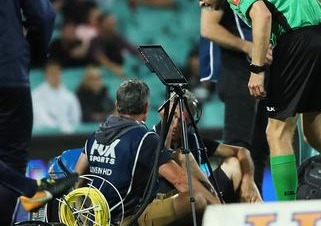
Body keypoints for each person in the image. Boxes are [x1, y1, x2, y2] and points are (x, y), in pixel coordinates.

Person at [184, 0, 321, 201]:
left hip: (297, 42)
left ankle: (286, 212)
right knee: (316, 133)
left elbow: (262, 15)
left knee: (276, 133)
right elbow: (320, 8)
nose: (202, 3)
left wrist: (257, 69)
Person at [74, 80, 220, 225]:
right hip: (129, 219)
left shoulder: (94, 136)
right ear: (146, 109)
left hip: (98, 217)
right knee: (197, 198)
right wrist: (221, 209)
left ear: (117, 105)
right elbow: (180, 180)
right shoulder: (145, 138)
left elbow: (76, 180)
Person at [198, 0, 268, 190]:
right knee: (238, 148)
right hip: (236, 70)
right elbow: (209, 28)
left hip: (260, 68)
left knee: (261, 147)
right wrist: (249, 46)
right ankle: (227, 209)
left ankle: (255, 208)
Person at [0, 0, 58, 222]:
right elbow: (44, 15)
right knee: (11, 159)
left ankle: (30, 190)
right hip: (12, 74)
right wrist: (31, 55)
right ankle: (29, 190)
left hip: (12, 68)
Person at [154, 90, 262, 204]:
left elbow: (242, 151)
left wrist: (248, 180)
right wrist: (167, 125)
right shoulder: (151, 137)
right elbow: (160, 164)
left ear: (190, 122)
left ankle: (254, 216)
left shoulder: (193, 139)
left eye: (182, 121)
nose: (176, 124)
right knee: (184, 156)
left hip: (203, 193)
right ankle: (218, 205)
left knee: (234, 163)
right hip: (172, 197)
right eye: (173, 116)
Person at [31, 60, 82, 133]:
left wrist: (69, 128)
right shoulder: (36, 95)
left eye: (57, 72)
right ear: (45, 75)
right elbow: (41, 118)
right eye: (51, 73)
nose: (55, 76)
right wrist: (59, 128)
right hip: (46, 135)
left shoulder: (70, 96)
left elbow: (76, 118)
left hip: (69, 135)